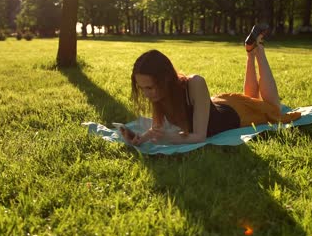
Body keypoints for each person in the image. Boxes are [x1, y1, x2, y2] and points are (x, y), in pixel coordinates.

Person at [120, 24, 301, 145]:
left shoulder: (195, 83)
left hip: (236, 114)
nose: (146, 93)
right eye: (142, 88)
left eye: (149, 87)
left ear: (165, 78)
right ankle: (250, 52)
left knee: (273, 109)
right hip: (221, 104)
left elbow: (199, 136)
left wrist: (170, 138)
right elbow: (157, 129)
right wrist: (139, 139)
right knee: (252, 99)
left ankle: (258, 49)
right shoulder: (159, 93)